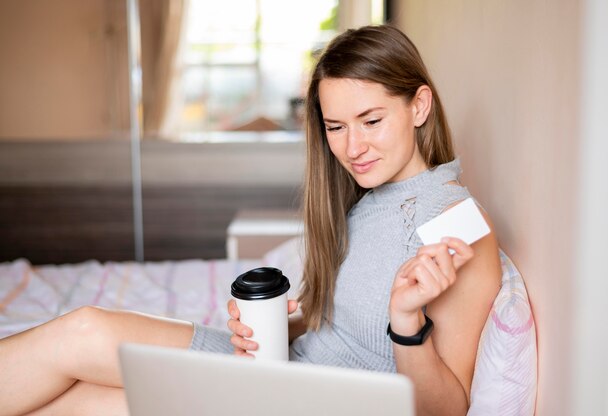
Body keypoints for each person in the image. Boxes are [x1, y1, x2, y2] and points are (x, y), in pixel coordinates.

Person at [0, 25, 501, 416]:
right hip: (278, 371)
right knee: (76, 356)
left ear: (419, 105)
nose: (353, 148)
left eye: (371, 121)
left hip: (305, 398)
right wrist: (287, 324)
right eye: (335, 127)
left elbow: (447, 409)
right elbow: (341, 325)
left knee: (80, 359)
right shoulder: (370, 197)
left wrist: (407, 325)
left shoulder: (456, 223)